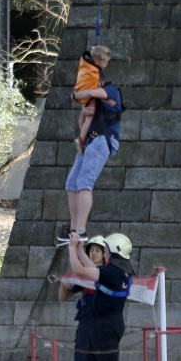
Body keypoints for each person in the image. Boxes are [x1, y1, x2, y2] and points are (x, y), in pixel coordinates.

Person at [67, 232, 135, 361]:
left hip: (106, 326)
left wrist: (72, 248)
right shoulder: (118, 271)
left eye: (104, 250)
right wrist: (81, 250)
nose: (103, 253)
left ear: (112, 252)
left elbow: (81, 271)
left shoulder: (112, 272)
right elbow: (91, 267)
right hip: (101, 325)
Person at [59, 78, 123, 245]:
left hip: (102, 140)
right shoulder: (92, 101)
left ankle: (81, 230)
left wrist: (75, 95)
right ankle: (74, 230)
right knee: (71, 183)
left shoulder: (111, 89)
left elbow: (92, 92)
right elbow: (82, 125)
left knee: (84, 181)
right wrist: (83, 112)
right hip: (88, 143)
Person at [57, 235, 106, 361]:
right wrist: (64, 283)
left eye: (97, 251)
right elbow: (62, 297)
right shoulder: (84, 276)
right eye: (91, 250)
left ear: (105, 254)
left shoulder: (108, 273)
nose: (93, 254)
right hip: (85, 325)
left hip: (102, 327)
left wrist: (75, 250)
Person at [74, 46, 111, 154]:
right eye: (105, 62)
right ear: (98, 61)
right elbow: (95, 86)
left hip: (81, 92)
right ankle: (81, 139)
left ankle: (82, 137)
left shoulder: (86, 65)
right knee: (89, 119)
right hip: (88, 97)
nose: (106, 65)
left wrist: (95, 49)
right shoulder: (94, 73)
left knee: (84, 119)